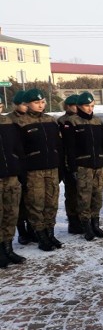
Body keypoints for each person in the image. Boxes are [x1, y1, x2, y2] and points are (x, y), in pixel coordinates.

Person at [13, 88, 64, 252]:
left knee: (52, 203)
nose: (41, 105)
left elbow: (58, 145)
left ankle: (50, 233)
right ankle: (41, 236)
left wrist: (61, 166)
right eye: (36, 102)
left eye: (42, 102)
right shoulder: (21, 123)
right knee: (36, 204)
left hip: (52, 168)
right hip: (33, 171)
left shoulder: (51, 120)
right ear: (27, 104)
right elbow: (18, 151)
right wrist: (22, 173)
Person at [62, 91, 103, 241]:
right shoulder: (72, 122)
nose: (90, 108)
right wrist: (73, 167)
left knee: (98, 196)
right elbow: (69, 148)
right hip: (83, 166)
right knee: (84, 197)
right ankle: (86, 226)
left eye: (92, 105)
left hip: (99, 165)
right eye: (86, 106)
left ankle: (96, 224)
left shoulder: (97, 121)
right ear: (79, 106)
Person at [7, 91, 36, 246]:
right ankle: (22, 231)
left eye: (27, 104)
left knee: (31, 199)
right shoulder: (10, 120)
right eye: (23, 104)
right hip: (17, 164)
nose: (26, 107)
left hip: (31, 162)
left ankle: (32, 229)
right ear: (16, 105)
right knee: (19, 201)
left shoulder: (32, 118)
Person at [0, 101, 26, 266]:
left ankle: (8, 249)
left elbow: (18, 149)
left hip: (11, 176)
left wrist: (20, 171)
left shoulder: (8, 123)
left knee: (11, 214)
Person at [57, 94, 82, 235]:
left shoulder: (83, 119)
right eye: (74, 105)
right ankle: (73, 222)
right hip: (69, 162)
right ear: (67, 106)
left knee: (83, 193)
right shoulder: (62, 121)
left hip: (83, 160)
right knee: (72, 194)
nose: (77, 108)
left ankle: (83, 219)